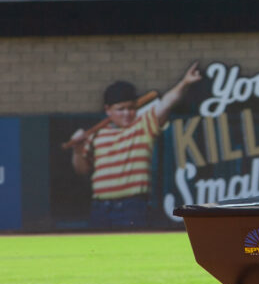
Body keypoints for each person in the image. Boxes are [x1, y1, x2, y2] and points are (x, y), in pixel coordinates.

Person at [71, 62, 202, 230]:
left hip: (132, 207)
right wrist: (77, 149)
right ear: (108, 110)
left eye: (131, 108)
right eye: (121, 109)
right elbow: (82, 169)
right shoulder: (95, 135)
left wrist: (184, 83)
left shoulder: (142, 126)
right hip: (100, 208)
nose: (127, 113)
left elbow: (166, 103)